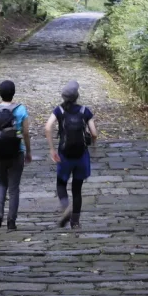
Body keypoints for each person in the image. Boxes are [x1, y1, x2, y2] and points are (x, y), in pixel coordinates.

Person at [44, 80, 97, 228]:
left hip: (64, 154)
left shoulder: (59, 111)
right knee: (77, 189)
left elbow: (48, 128)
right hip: (81, 155)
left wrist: (52, 149)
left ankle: (66, 206)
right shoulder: (85, 111)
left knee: (61, 183)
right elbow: (94, 133)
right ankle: (75, 222)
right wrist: (93, 146)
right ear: (77, 96)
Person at [0, 80, 31, 230]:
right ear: (13, 93)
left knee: (1, 183)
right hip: (17, 151)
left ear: (0, 93)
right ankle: (11, 221)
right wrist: (28, 152)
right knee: (14, 188)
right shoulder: (21, 110)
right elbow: (25, 133)